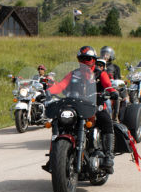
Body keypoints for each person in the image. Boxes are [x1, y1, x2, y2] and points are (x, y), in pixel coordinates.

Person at [46, 45, 117, 173]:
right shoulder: (73, 74)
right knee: (58, 122)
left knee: (106, 121)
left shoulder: (100, 74)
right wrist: (47, 92)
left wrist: (113, 92)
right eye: (82, 58)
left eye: (88, 58)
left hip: (95, 106)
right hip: (75, 106)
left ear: (94, 59)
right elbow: (60, 86)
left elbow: (109, 86)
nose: (85, 61)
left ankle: (108, 157)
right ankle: (54, 157)